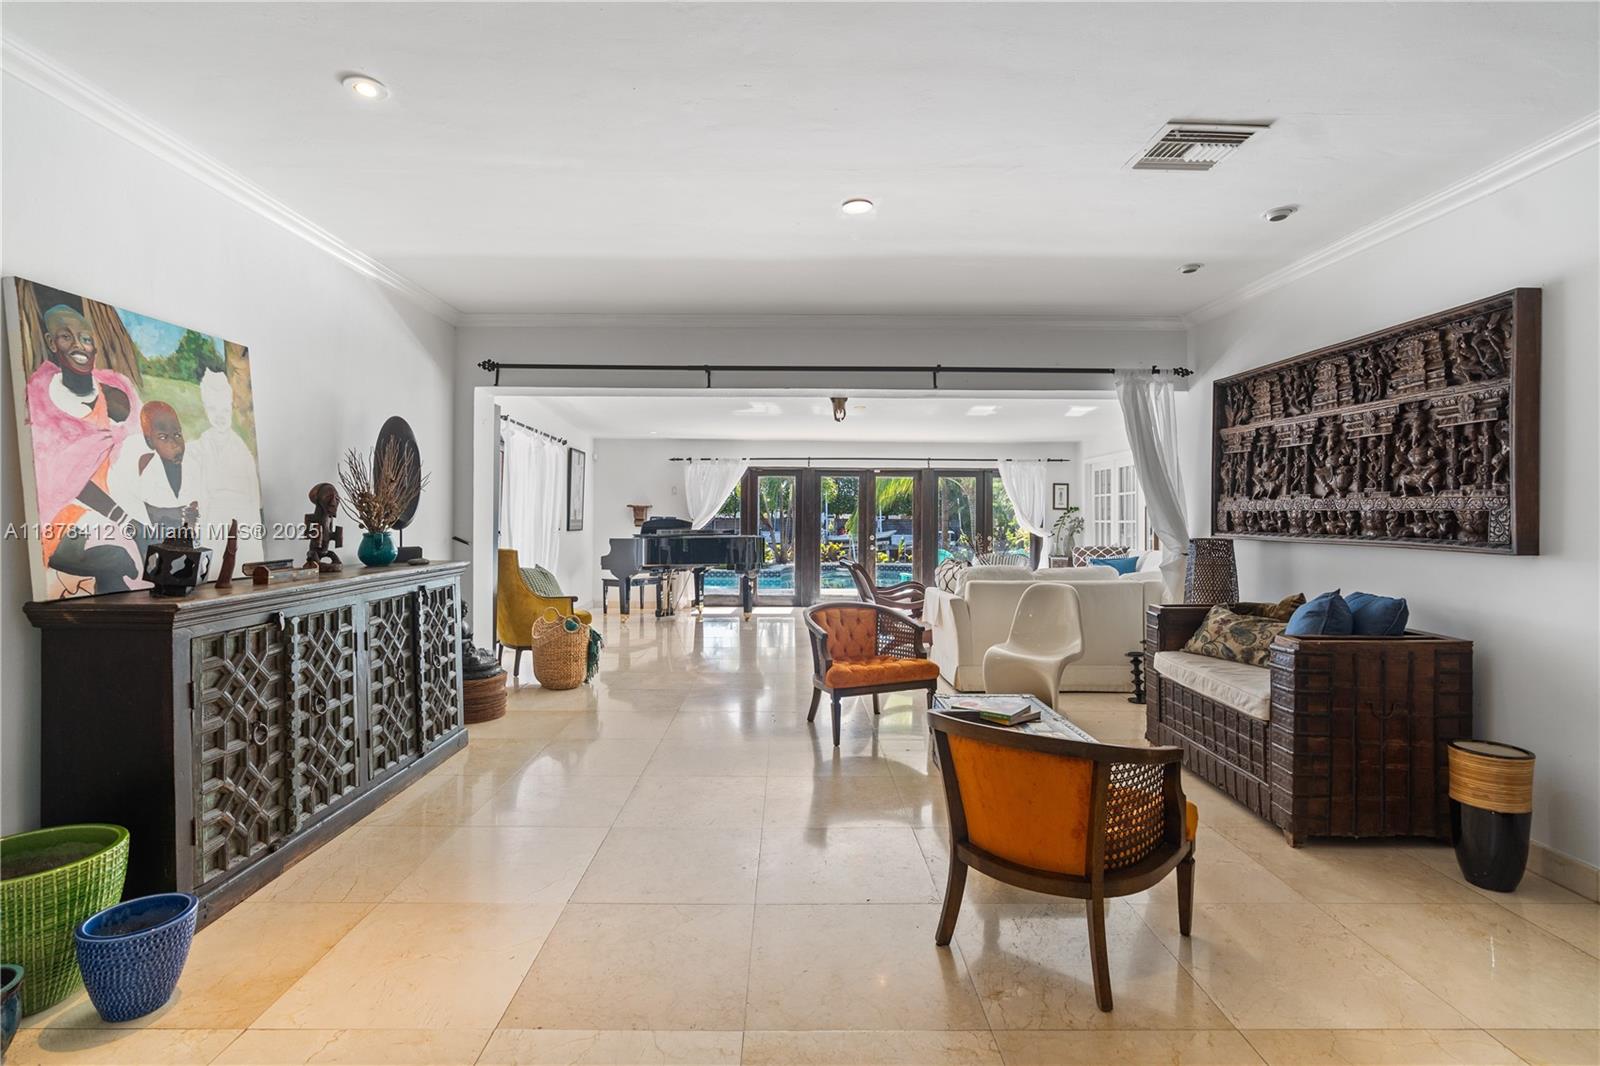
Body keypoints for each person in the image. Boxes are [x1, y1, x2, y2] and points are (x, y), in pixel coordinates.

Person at [24, 304, 146, 593]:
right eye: (66, 337)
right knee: (118, 559)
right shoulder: (40, 400)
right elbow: (63, 483)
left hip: (123, 507)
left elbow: (138, 456)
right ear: (51, 343)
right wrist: (124, 519)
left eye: (85, 338)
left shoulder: (117, 391)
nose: (79, 345)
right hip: (63, 518)